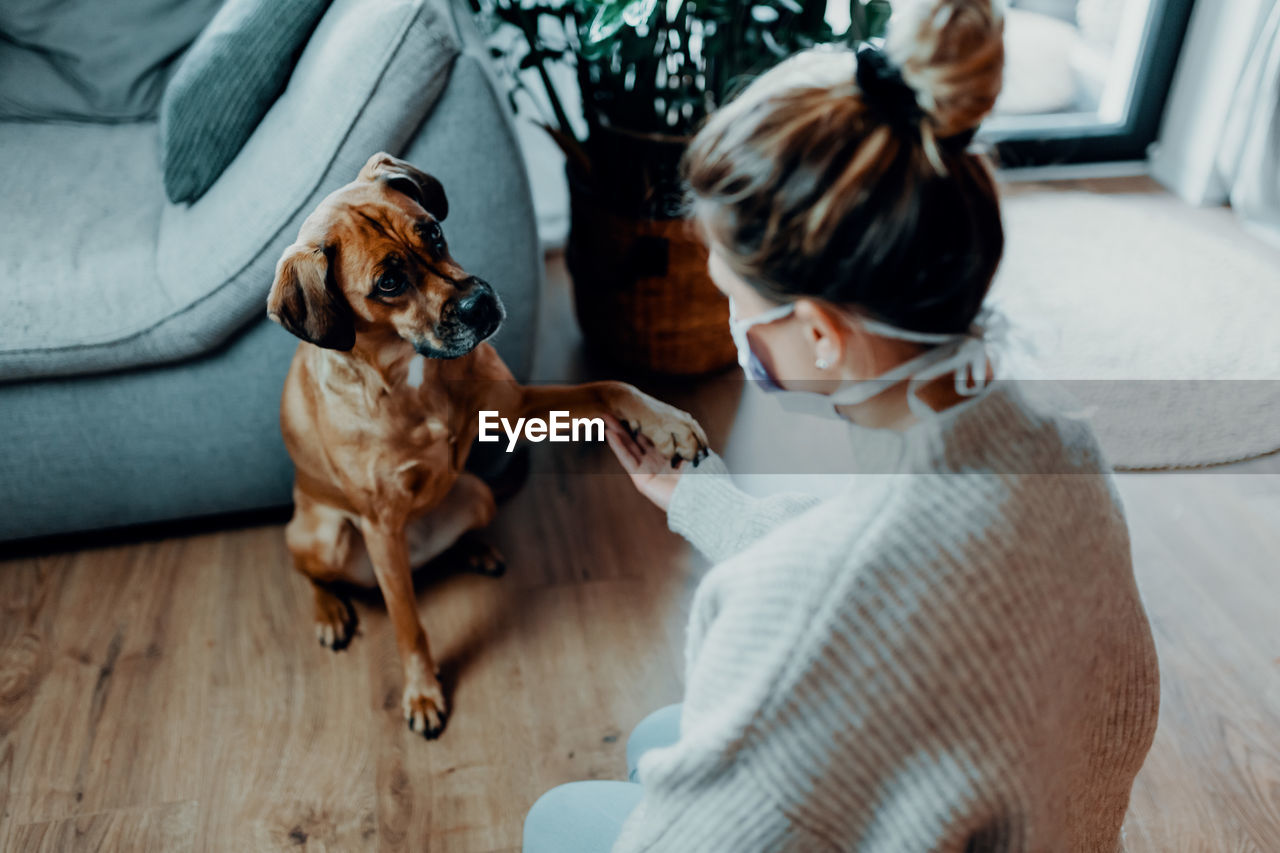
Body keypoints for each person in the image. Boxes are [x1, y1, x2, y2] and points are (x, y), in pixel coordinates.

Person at [523, 0, 1160, 849]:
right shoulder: (1058, 442)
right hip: (1049, 819)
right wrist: (703, 500)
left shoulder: (799, 607)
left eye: (731, 296)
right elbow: (897, 574)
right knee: (654, 741)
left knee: (559, 817)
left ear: (819, 331)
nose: (728, 322)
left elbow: (837, 601)